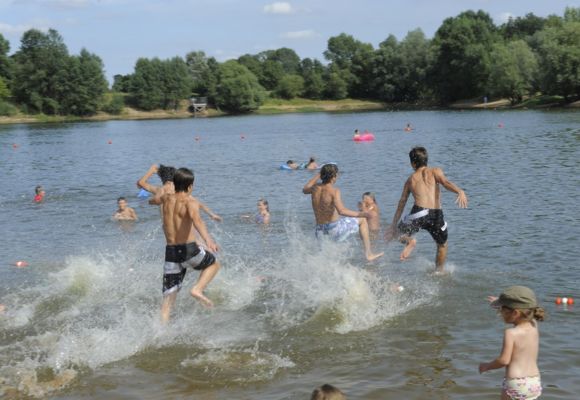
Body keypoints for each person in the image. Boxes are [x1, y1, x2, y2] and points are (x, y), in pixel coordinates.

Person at [151, 168, 221, 323]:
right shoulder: (190, 201)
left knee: (167, 302)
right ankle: (197, 289)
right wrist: (209, 241)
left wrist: (156, 196)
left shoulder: (166, 198)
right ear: (190, 186)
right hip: (189, 250)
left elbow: (154, 201)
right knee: (214, 264)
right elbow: (198, 221)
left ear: (174, 184)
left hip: (171, 253)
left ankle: (161, 334)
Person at [385, 146, 468, 272]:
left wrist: (393, 225)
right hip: (437, 214)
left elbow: (402, 202)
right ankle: (439, 271)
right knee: (442, 245)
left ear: (413, 163)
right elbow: (445, 183)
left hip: (420, 212)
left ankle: (410, 241)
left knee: (398, 233)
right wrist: (459, 191)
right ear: (426, 160)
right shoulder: (436, 171)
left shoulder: (410, 179)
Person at [303, 164, 383, 261]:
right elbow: (342, 211)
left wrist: (319, 174)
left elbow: (305, 189)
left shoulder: (315, 188)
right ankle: (368, 254)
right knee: (362, 220)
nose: (337, 177)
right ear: (333, 177)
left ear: (322, 175)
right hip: (334, 230)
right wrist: (363, 214)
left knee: (326, 258)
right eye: (336, 175)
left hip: (319, 231)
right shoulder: (334, 191)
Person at [479, 286, 544, 400]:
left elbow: (504, 360)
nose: (500, 313)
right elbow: (525, 309)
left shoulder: (511, 333)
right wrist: (502, 302)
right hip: (534, 382)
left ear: (515, 313)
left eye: (502, 310)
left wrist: (487, 366)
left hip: (516, 384)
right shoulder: (534, 324)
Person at [138, 163, 222, 221]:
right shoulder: (178, 189)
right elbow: (196, 202)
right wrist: (212, 214)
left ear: (162, 178)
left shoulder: (159, 190)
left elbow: (140, 183)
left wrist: (151, 170)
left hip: (168, 225)